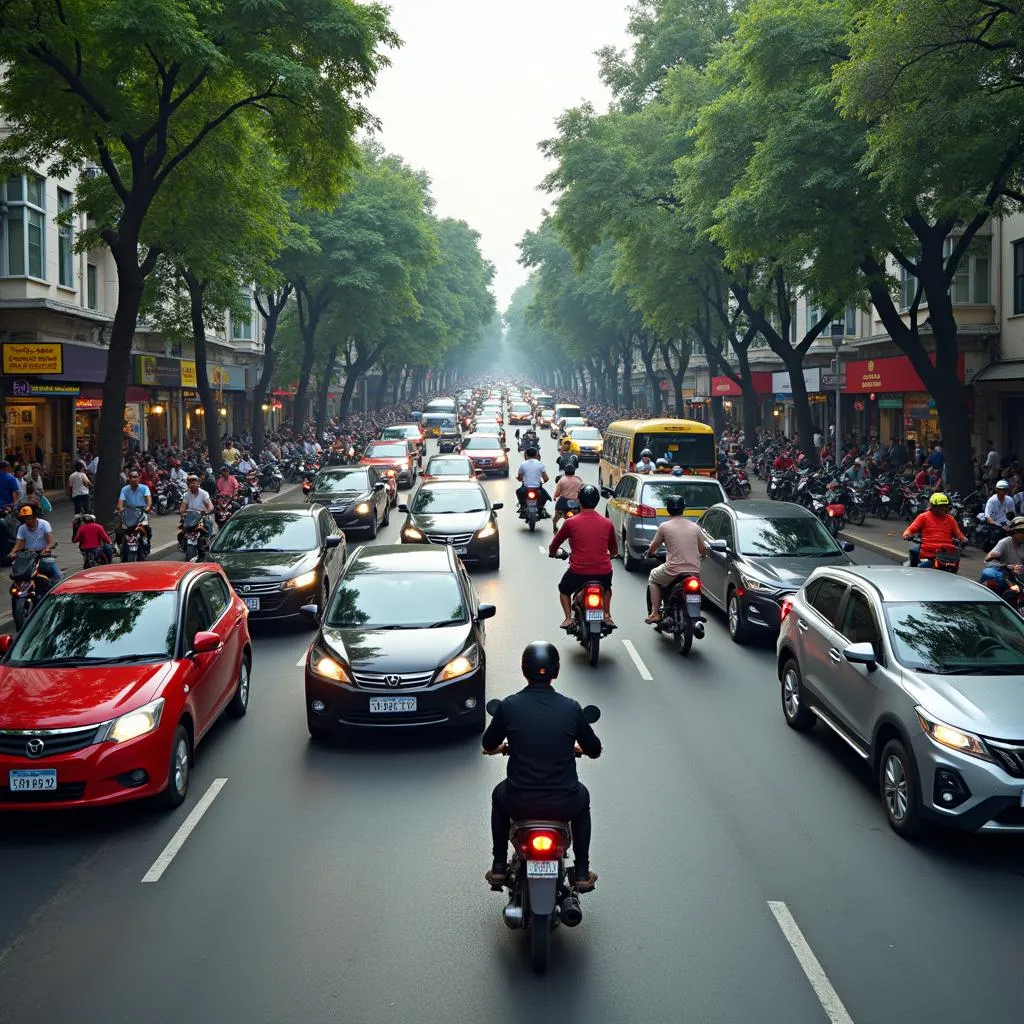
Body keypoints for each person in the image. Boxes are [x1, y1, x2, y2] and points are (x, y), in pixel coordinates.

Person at [482, 641, 602, 892]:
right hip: (564, 803)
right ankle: (581, 870)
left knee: (498, 795)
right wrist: (577, 747)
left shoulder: (508, 706)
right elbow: (593, 749)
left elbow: (488, 743)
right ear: (556, 671)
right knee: (584, 799)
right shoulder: (571, 708)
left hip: (519, 801)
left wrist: (503, 747)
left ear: (524, 670)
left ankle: (498, 865)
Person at [548, 484, 617, 628]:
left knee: (564, 590)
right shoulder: (607, 523)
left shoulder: (570, 523)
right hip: (603, 572)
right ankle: (607, 614)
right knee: (607, 588)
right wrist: (611, 555)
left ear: (579, 500)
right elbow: (614, 551)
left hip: (578, 572)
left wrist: (553, 553)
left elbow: (554, 545)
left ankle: (568, 618)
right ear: (597, 501)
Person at [644, 494, 708, 623]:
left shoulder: (664, 526)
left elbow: (653, 547)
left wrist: (648, 553)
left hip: (673, 570)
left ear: (668, 509)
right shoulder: (695, 527)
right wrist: (703, 556)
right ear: (683, 509)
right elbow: (703, 550)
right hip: (693, 571)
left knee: (652, 577)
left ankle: (655, 612)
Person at [902, 492, 967, 567]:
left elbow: (959, 534)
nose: (941, 509)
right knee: (915, 556)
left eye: (943, 506)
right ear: (932, 506)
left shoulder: (950, 519)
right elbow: (911, 529)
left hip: (946, 553)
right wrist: (907, 534)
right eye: (938, 507)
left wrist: (964, 539)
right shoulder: (923, 517)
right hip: (928, 551)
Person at [9, 505, 61, 585]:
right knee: (19, 577)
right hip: (28, 556)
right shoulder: (22, 528)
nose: (26, 521)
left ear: (35, 517)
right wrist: (12, 552)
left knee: (58, 575)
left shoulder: (44, 524)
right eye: (24, 519)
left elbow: (51, 541)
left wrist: (47, 548)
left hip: (43, 555)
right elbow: (18, 543)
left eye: (28, 518)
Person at [981, 516, 1024, 594]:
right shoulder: (1005, 542)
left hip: (1021, 576)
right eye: (1022, 532)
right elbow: (988, 560)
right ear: (1014, 532)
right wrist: (1007, 566)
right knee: (987, 572)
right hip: (1007, 574)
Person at [551, 463, 584, 533]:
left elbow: (557, 492)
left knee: (557, 516)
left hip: (563, 503)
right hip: (575, 504)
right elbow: (582, 491)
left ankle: (554, 525)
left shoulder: (561, 481)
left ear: (565, 472)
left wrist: (555, 497)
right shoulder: (579, 481)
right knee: (581, 515)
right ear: (574, 472)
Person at [516, 447, 550, 512]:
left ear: (526, 455)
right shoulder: (540, 465)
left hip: (525, 488)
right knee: (545, 496)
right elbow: (546, 478)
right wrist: (542, 482)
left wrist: (519, 479)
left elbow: (520, 477)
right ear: (536, 455)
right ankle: (541, 507)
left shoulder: (523, 464)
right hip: (537, 488)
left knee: (518, 491)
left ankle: (522, 506)